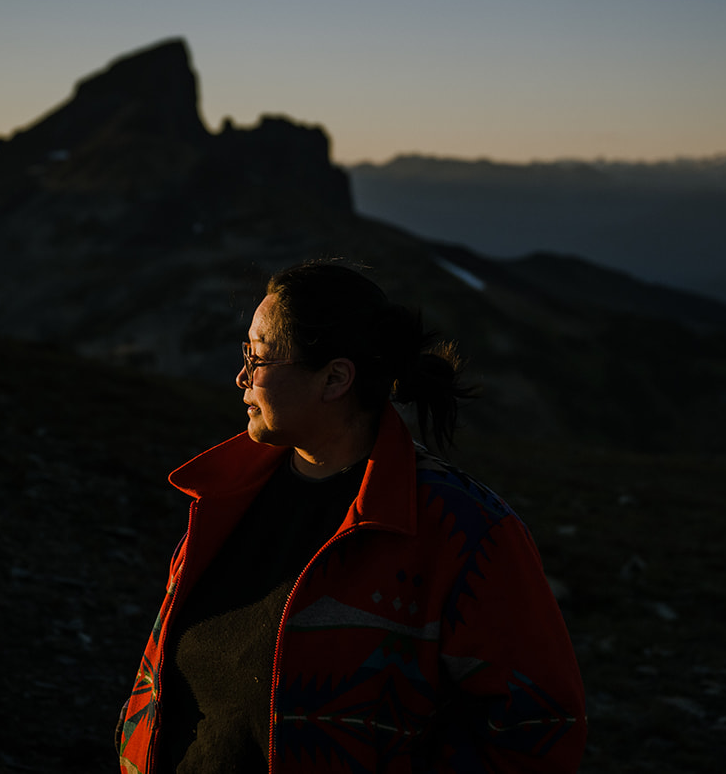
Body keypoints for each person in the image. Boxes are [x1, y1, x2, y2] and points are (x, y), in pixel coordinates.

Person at [116, 260, 587, 773]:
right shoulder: (223, 499)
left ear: (335, 378)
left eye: (258, 357)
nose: (240, 376)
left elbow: (538, 726)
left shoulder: (464, 531)